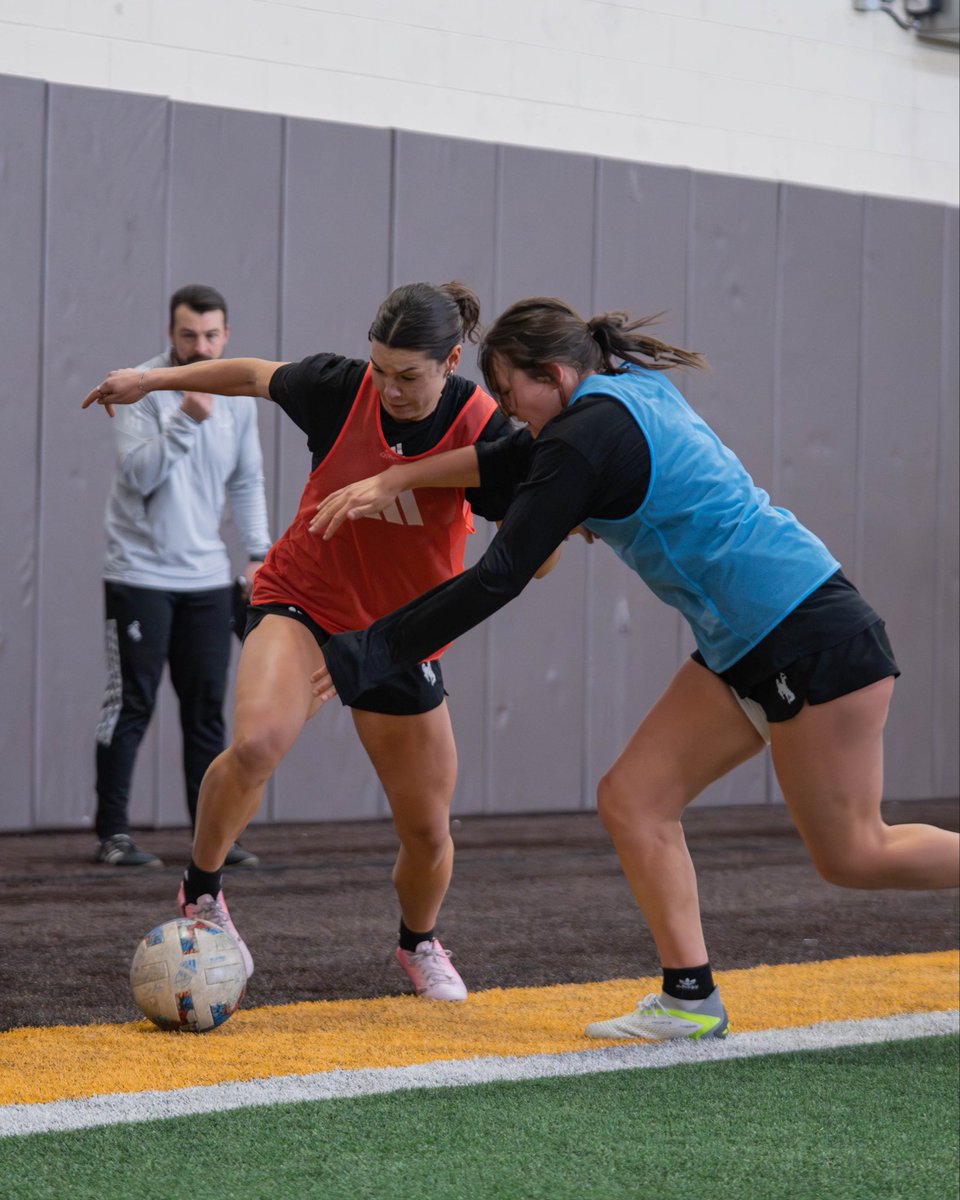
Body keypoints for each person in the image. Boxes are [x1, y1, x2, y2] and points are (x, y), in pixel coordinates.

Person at [306, 295, 960, 1041]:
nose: (509, 412)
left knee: (853, 853)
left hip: (806, 628)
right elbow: (507, 459)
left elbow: (500, 575)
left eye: (512, 393)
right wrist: (397, 479)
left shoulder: (585, 435)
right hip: (740, 642)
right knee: (633, 799)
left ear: (552, 374)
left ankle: (690, 999)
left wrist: (374, 648)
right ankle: (690, 1000)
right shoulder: (620, 393)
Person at [83, 282, 555, 999]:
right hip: (303, 597)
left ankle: (419, 942)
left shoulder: (485, 424)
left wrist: (556, 520)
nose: (389, 389)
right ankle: (203, 895)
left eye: (409, 376)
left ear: (451, 360)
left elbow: (530, 556)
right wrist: (151, 379)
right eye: (381, 369)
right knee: (257, 742)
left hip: (400, 632)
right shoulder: (342, 386)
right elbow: (250, 376)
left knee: (428, 830)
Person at [93, 284, 271, 870]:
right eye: (189, 335)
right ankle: (113, 834)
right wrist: (188, 421)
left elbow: (246, 480)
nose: (201, 345)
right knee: (132, 704)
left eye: (212, 335)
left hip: (206, 578)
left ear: (227, 337)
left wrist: (256, 552)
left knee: (206, 710)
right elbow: (138, 476)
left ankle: (211, 837)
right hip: (140, 573)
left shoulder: (238, 394)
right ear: (170, 335)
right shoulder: (142, 386)